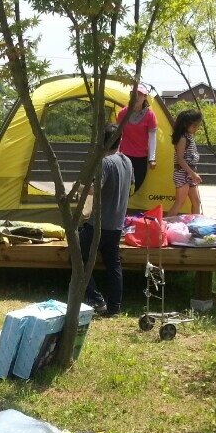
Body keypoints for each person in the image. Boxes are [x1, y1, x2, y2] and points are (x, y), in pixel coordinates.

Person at [79, 123, 133, 317]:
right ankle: (115, 306)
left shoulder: (106, 163)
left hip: (99, 224)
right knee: (113, 264)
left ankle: (96, 299)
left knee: (78, 258)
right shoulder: (127, 161)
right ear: (120, 140)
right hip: (117, 224)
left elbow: (95, 189)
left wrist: (79, 188)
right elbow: (130, 186)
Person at [117, 85, 158, 193]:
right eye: (133, 94)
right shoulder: (123, 113)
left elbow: (152, 137)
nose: (136, 97)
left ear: (145, 97)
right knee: (123, 185)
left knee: (137, 185)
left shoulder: (150, 115)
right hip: (124, 155)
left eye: (139, 94)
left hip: (141, 157)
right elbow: (118, 134)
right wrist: (116, 152)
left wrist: (152, 158)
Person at [167, 109, 204, 217]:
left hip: (189, 172)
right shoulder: (182, 138)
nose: (196, 128)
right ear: (185, 124)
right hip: (182, 173)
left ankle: (196, 224)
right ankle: (164, 225)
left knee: (197, 202)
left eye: (198, 126)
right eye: (194, 126)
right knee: (179, 203)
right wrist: (193, 174)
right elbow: (180, 159)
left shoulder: (189, 136)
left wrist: (192, 173)